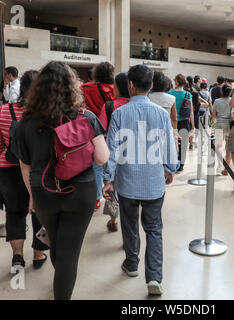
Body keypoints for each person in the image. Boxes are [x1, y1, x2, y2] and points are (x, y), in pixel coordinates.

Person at [15, 61, 109, 300]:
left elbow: (25, 166)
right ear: (72, 87)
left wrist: (32, 197)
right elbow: (102, 158)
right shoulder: (85, 117)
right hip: (81, 191)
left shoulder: (24, 123)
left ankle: (61, 281)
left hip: (43, 192)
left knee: (57, 243)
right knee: (70, 252)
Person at [102, 64, 177, 296]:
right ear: (152, 85)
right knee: (154, 228)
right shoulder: (162, 114)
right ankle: (154, 277)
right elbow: (170, 146)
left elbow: (111, 150)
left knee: (130, 224)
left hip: (127, 183)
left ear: (130, 85)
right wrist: (169, 168)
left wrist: (107, 179)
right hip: (154, 183)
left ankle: (132, 265)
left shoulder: (119, 114)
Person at [0, 70, 49, 269]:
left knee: (14, 212)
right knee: (40, 212)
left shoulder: (4, 112)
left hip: (9, 170)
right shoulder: (46, 114)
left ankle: (17, 255)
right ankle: (38, 256)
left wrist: (3, 158)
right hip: (39, 171)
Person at [98, 72, 130, 232]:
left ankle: (113, 219)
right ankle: (128, 225)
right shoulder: (134, 105)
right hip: (132, 155)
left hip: (112, 154)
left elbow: (102, 130)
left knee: (111, 187)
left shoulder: (109, 106)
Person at [81, 62, 115, 210]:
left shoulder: (85, 88)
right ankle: (112, 195)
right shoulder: (114, 90)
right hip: (111, 129)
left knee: (96, 164)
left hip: (91, 129)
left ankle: (96, 198)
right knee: (112, 161)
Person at [168, 74, 194, 172]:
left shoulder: (170, 93)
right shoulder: (188, 94)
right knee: (183, 145)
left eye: (175, 80)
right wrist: (193, 126)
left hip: (172, 122)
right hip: (184, 122)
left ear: (177, 82)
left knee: (172, 144)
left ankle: (171, 165)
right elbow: (191, 111)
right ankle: (181, 166)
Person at [212, 84, 232, 175]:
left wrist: (215, 123)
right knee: (228, 148)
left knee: (219, 147)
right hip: (229, 125)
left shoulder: (217, 101)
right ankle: (227, 169)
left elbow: (213, 115)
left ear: (222, 91)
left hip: (219, 124)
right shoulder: (232, 101)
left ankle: (219, 165)